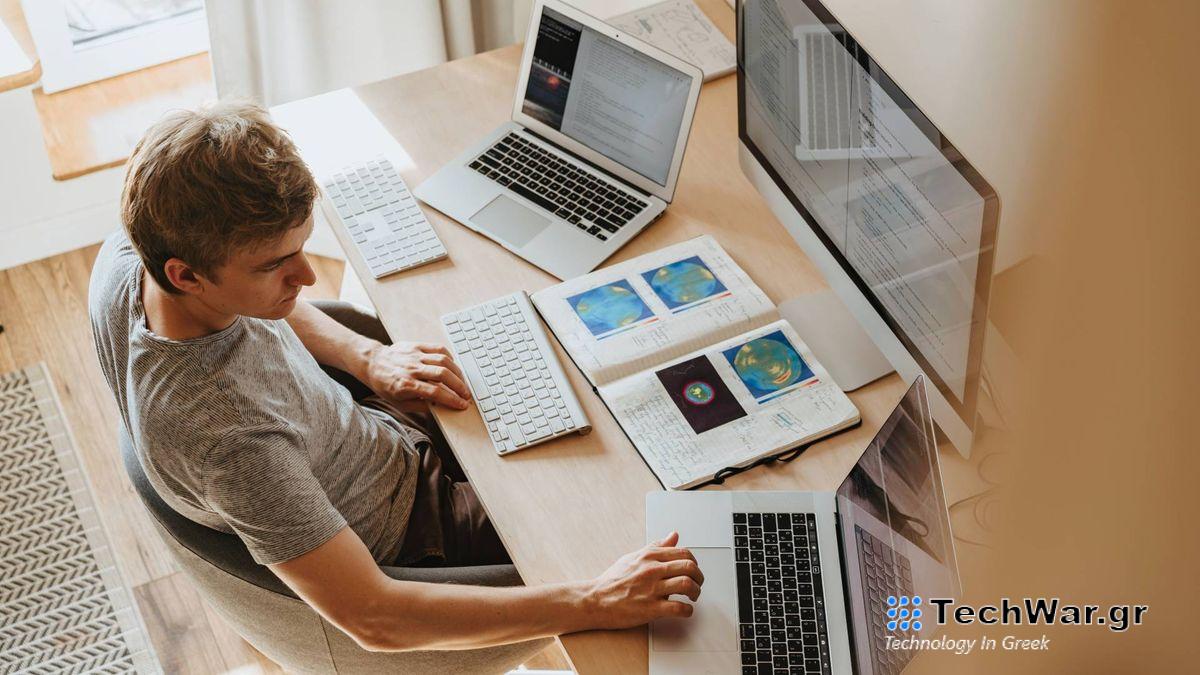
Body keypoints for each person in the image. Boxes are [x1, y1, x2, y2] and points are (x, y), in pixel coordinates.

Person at [88, 101, 701, 652]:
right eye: (275, 265)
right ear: (187, 275)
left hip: (368, 435)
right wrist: (593, 602)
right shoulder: (227, 439)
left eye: (302, 247)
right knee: (650, 522)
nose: (305, 277)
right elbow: (376, 618)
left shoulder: (135, 253)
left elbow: (272, 303)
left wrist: (367, 359)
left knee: (579, 378)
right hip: (416, 533)